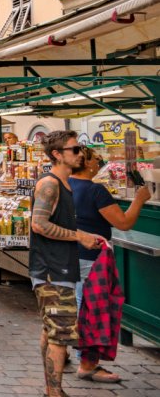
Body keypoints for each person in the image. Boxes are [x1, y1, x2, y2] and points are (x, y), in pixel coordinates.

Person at [30, 131, 107, 397]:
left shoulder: (65, 184)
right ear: (57, 154)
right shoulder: (50, 184)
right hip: (53, 270)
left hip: (59, 268)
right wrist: (79, 236)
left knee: (51, 332)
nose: (80, 153)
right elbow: (38, 224)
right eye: (75, 149)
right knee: (60, 336)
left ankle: (53, 390)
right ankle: (54, 392)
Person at [70, 146, 150, 383]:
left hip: (68, 256)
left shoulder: (63, 185)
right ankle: (87, 364)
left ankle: (66, 351)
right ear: (87, 163)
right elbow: (123, 223)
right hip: (92, 258)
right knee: (92, 311)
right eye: (96, 159)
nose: (99, 163)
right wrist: (139, 199)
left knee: (77, 306)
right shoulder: (95, 190)